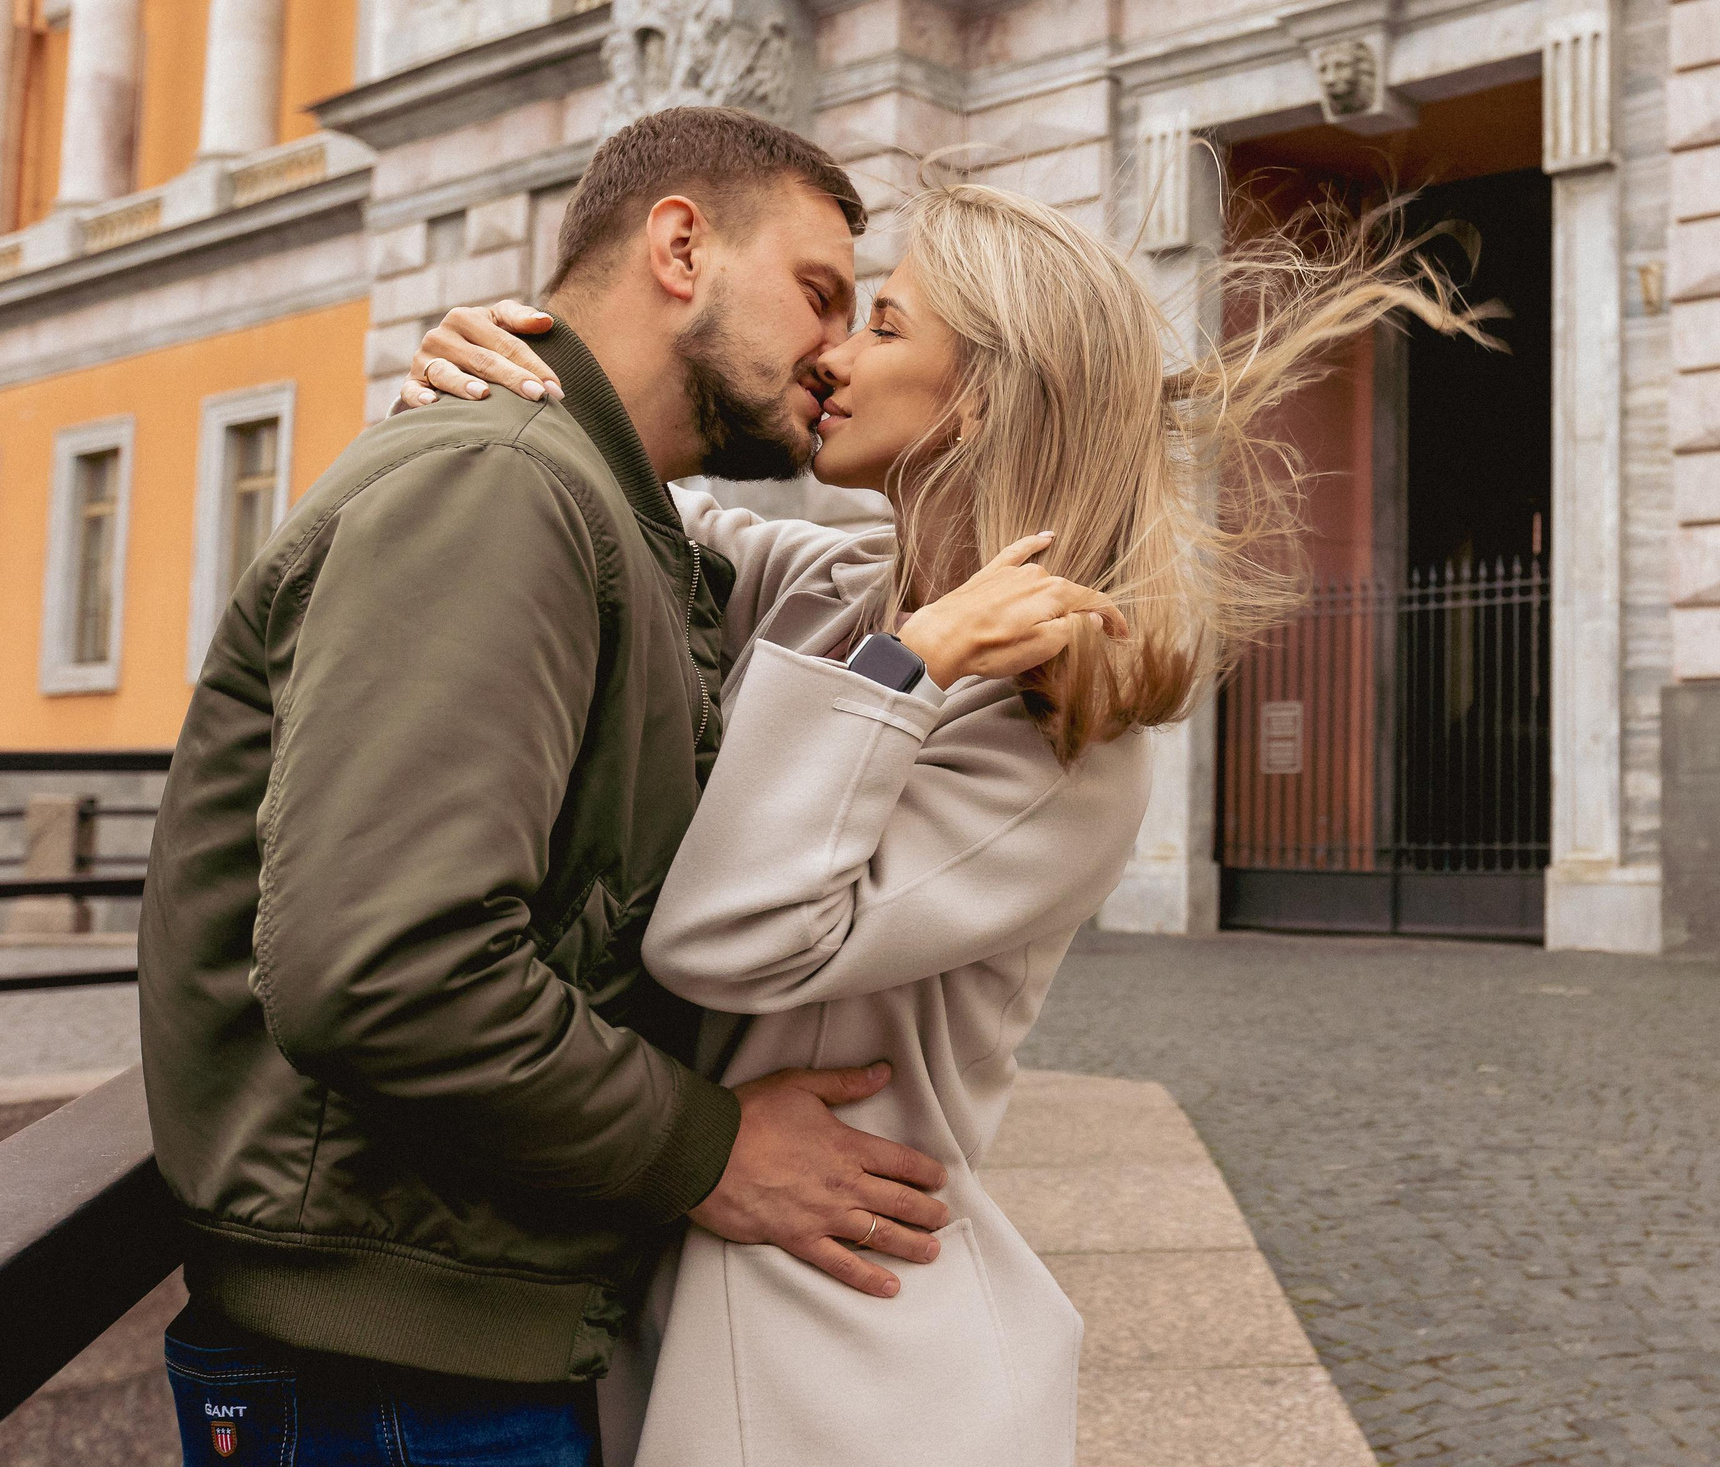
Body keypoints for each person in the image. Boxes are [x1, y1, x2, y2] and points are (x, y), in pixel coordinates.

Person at [403, 173, 1483, 1464]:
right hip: (717, 1286)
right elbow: (606, 487)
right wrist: (496, 350)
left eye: (886, 327)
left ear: (983, 396)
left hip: (846, 1355)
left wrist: (901, 673)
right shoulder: (837, 579)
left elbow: (724, 941)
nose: (832, 358)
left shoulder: (1060, 742)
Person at [137, 108, 1103, 1467]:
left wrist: (525, 354)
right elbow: (385, 969)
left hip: (471, 1327)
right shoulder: (504, 482)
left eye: (873, 323)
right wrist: (709, 1150)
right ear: (682, 245)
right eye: (826, 297)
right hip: (395, 1360)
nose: (831, 352)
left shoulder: (616, 515)